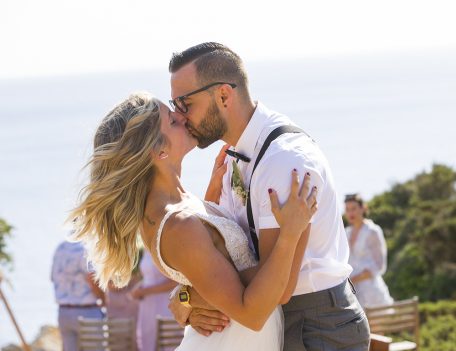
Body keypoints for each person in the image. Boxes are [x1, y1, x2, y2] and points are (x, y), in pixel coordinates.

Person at [70, 92, 318, 351]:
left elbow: (214, 266)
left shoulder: (177, 207)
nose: (181, 116)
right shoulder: (178, 224)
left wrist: (185, 295)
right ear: (159, 151)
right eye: (172, 121)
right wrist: (290, 234)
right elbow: (251, 313)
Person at [167, 42, 370, 351]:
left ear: (223, 95)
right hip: (275, 320)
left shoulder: (284, 162)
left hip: (314, 326)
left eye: (185, 104)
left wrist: (190, 296)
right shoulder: (235, 154)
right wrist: (185, 295)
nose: (180, 117)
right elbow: (231, 255)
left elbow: (278, 284)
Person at [51, 240, 105, 351]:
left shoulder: (60, 248)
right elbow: (92, 278)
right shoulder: (86, 247)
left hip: (64, 312)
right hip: (87, 311)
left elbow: (52, 277)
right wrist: (104, 299)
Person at [344, 193, 394, 308]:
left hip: (372, 292)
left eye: (354, 208)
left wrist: (353, 279)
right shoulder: (346, 233)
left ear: (363, 208)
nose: (350, 213)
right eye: (347, 209)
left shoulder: (372, 231)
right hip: (352, 294)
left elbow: (380, 266)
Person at [129, 250, 177, 351]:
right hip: (147, 305)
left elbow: (174, 282)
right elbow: (149, 277)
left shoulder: (164, 246)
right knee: (146, 340)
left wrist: (145, 291)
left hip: (163, 303)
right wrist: (139, 288)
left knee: (166, 341)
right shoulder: (146, 250)